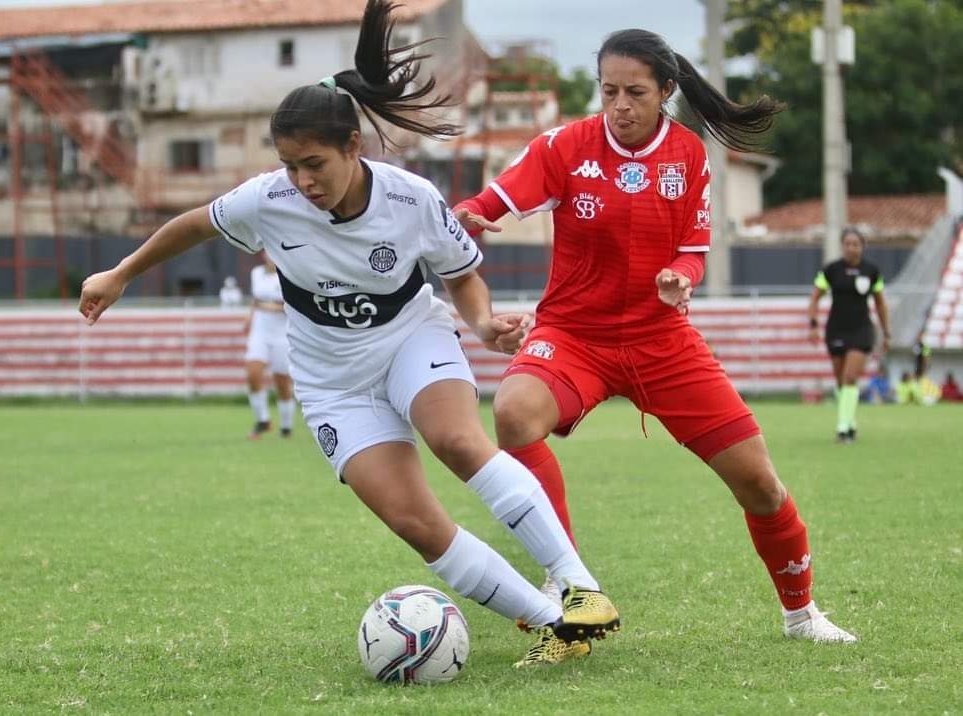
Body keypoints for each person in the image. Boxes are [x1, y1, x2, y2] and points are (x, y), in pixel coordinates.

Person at [78, 0, 617, 667]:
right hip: (332, 381)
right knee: (416, 522)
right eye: (289, 165)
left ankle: (581, 588)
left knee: (455, 439)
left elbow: (463, 274)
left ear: (352, 148)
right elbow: (193, 223)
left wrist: (482, 325)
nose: (302, 181)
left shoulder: (411, 199)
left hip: (409, 338)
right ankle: (559, 629)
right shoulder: (266, 200)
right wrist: (122, 273)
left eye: (314, 164)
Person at [455, 28, 856, 642]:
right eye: (608, 90)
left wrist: (681, 278)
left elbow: (694, 250)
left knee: (760, 483)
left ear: (666, 91)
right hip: (574, 335)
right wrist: (472, 217)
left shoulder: (689, 154)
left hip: (661, 340)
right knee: (513, 414)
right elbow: (493, 200)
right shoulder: (565, 146)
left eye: (635, 92)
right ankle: (567, 580)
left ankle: (802, 614)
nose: (619, 104)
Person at [808, 227, 891, 442]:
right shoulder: (831, 270)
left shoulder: (872, 271)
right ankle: (850, 422)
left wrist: (886, 332)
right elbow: (815, 298)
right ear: (842, 246)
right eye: (847, 244)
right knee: (840, 381)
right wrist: (813, 324)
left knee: (850, 377)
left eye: (856, 244)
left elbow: (880, 304)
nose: (851, 248)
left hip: (862, 329)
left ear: (862, 247)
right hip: (836, 329)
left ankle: (843, 429)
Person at [243, 253, 296, 439]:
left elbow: (287, 306)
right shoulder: (256, 273)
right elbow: (255, 300)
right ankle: (263, 420)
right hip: (259, 333)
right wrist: (250, 317)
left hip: (281, 335)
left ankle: (286, 427)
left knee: (281, 381)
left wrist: (265, 306)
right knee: (252, 373)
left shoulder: (288, 275)